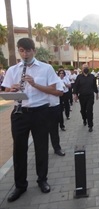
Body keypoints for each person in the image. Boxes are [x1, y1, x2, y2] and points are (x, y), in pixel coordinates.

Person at [1, 38, 59, 202]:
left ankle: (42, 180)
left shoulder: (46, 68)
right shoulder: (13, 69)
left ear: (34, 51)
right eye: (21, 50)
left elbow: (54, 90)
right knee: (19, 150)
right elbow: (6, 90)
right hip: (19, 113)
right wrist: (12, 88)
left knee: (41, 147)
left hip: (40, 111)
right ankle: (20, 185)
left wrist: (35, 85)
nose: (24, 54)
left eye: (27, 50)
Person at [74, 64, 99, 132]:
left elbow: (94, 86)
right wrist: (75, 95)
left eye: (87, 67)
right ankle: (84, 119)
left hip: (90, 96)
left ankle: (90, 125)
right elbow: (76, 86)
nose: (85, 68)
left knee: (89, 110)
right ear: (82, 69)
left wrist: (97, 93)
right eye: (84, 67)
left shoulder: (92, 76)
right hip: (82, 96)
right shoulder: (79, 77)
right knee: (83, 110)